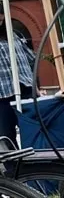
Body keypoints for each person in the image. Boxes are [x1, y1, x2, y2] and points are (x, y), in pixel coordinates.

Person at [0, 18, 35, 146]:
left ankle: (37, 161)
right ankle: (13, 165)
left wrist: (36, 85)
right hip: (2, 94)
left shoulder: (12, 35)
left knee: (32, 128)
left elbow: (31, 58)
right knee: (6, 135)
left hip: (24, 87)